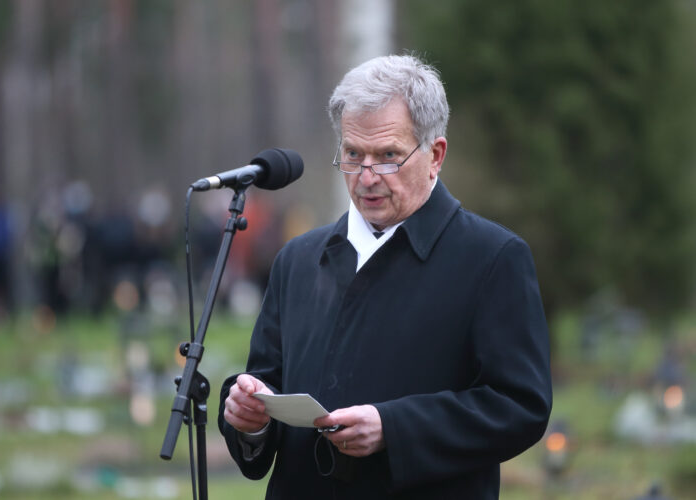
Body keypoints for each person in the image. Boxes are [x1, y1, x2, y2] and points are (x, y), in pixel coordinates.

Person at [219, 54, 552, 499]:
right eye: (353, 155)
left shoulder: (493, 259)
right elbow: (267, 388)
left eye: (389, 156)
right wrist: (249, 419)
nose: (367, 177)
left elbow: (520, 407)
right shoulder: (297, 259)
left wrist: (393, 429)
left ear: (435, 155)